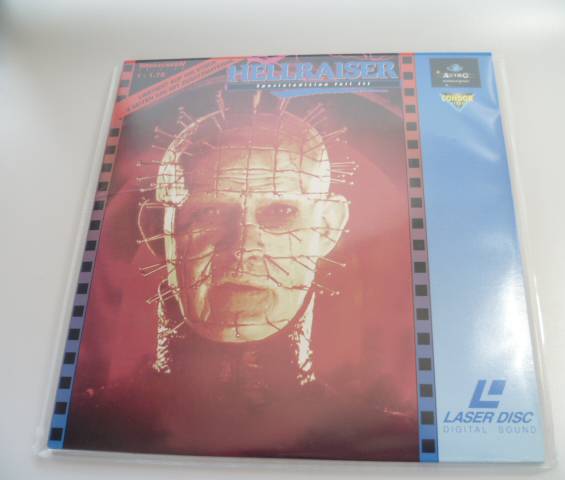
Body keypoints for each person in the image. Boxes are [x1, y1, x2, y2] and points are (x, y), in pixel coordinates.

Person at [65, 94, 417, 460]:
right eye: (210, 213)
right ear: (157, 229)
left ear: (328, 227)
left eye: (280, 212)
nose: (243, 248)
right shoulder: (83, 431)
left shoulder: (395, 446)